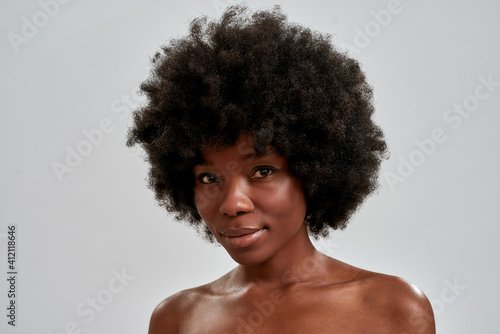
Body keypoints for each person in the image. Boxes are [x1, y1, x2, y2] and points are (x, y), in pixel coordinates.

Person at [127, 5, 435, 333]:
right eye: (209, 178)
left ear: (314, 172)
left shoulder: (392, 308)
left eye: (262, 171)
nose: (232, 204)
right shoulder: (178, 319)